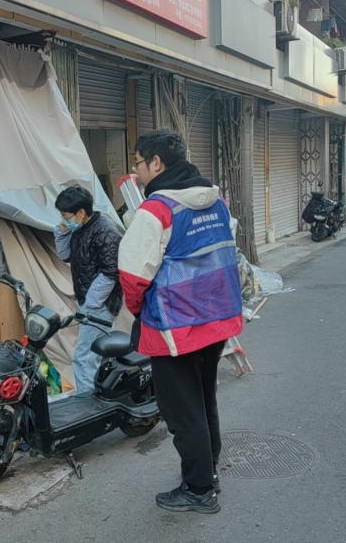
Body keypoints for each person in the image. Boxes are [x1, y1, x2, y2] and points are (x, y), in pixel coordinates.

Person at [118, 130, 243, 514]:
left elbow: (134, 277)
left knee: (181, 411)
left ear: (156, 163)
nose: (136, 172)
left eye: (138, 162)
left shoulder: (156, 210)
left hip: (174, 327)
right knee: (203, 401)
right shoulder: (217, 200)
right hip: (216, 318)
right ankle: (208, 473)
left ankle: (200, 489)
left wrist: (139, 311)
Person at [53, 185, 122, 396]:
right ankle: (96, 398)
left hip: (99, 305)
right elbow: (66, 255)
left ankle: (89, 406)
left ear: (81, 213)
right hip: (89, 302)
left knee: (84, 358)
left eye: (66, 216)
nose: (64, 219)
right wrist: (61, 232)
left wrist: (90, 305)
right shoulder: (80, 228)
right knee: (92, 357)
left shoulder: (106, 232)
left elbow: (110, 273)